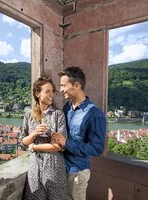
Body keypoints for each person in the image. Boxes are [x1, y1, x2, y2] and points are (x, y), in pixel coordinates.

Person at [52, 66, 106, 200]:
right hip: (61, 168)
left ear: (76, 85)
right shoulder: (67, 108)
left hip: (77, 172)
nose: (61, 89)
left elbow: (97, 149)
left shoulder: (94, 114)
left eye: (63, 85)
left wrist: (66, 142)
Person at [21, 77, 68, 200]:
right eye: (47, 91)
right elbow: (23, 141)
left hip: (54, 166)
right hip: (34, 167)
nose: (51, 95)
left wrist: (35, 147)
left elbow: (58, 146)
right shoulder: (28, 115)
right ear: (37, 93)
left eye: (52, 91)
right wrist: (34, 134)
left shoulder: (58, 115)